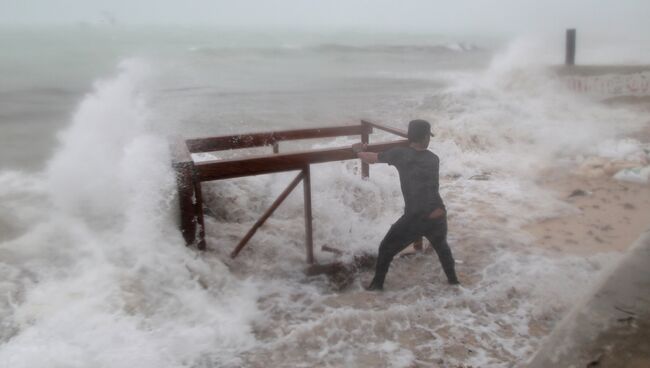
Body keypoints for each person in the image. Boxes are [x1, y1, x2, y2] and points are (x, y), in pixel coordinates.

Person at [352, 119, 459, 291]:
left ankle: (376, 286)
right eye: (428, 136)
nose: (429, 140)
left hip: (415, 217)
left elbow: (371, 159)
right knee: (442, 249)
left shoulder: (399, 154)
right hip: (438, 212)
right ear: (424, 138)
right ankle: (454, 284)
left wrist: (358, 151)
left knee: (386, 248)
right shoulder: (434, 159)